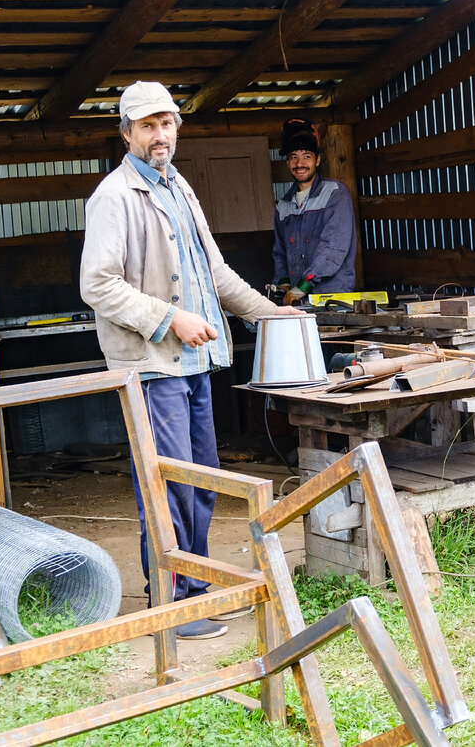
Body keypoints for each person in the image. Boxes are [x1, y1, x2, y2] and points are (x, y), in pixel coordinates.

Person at [80, 81, 301, 639]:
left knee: (201, 480)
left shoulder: (180, 188)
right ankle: (171, 600)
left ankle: (196, 587)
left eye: (168, 123)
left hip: (195, 364)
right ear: (127, 132)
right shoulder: (114, 196)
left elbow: (216, 274)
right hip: (153, 365)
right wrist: (168, 318)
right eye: (148, 125)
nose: (160, 135)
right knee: (167, 483)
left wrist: (272, 315)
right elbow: (98, 285)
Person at [272, 117, 357, 304]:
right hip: (298, 301)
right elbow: (280, 252)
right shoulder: (284, 205)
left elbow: (333, 248)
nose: (299, 163)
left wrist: (303, 285)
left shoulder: (335, 193)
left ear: (317, 160)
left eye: (306, 156)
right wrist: (284, 284)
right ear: (287, 163)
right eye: (293, 157)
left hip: (333, 299)